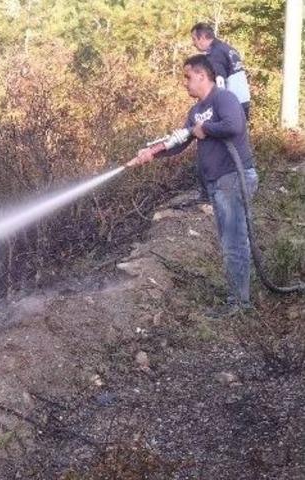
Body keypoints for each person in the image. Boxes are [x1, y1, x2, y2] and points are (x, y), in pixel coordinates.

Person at [128, 55, 258, 316]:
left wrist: (206, 129)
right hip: (218, 182)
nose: (185, 83)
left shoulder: (223, 98)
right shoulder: (195, 111)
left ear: (202, 75)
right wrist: (151, 152)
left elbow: (234, 125)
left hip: (233, 177)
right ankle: (238, 298)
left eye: (188, 77)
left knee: (234, 242)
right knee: (230, 241)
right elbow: (180, 141)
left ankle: (239, 304)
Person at [191, 22, 251, 119]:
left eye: (194, 39)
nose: (193, 43)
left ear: (202, 37)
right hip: (243, 100)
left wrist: (218, 106)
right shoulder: (227, 48)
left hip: (231, 104)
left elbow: (220, 81)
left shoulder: (214, 54)